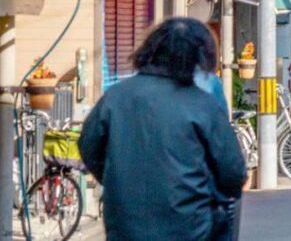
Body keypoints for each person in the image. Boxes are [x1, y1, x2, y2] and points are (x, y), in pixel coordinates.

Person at [79, 18, 246, 240]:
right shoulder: (202, 104)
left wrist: (116, 179)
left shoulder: (116, 96)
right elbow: (233, 173)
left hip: (125, 223)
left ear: (151, 49)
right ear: (200, 57)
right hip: (190, 226)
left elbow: (88, 146)